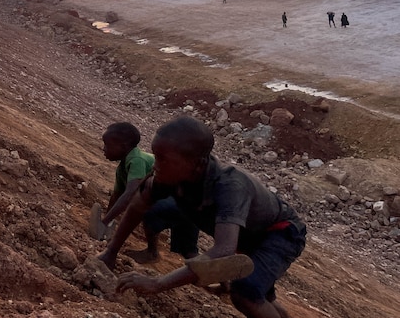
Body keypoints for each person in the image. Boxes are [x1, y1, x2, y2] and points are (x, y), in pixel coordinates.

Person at [103, 116, 306, 318]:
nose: (156, 165)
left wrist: (158, 284)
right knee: (261, 297)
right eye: (156, 156)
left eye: (163, 159)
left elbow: (223, 250)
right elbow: (138, 206)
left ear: (196, 164)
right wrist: (111, 252)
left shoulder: (230, 186)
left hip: (281, 233)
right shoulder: (169, 176)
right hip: (249, 235)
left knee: (245, 292)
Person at [90, 123, 194, 264]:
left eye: (107, 145)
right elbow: (117, 195)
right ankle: (218, 279)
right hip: (176, 199)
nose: (104, 149)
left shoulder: (136, 160)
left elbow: (129, 195)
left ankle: (152, 253)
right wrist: (106, 223)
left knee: (147, 208)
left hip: (183, 201)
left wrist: (105, 221)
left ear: (124, 146)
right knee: (189, 251)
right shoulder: (123, 167)